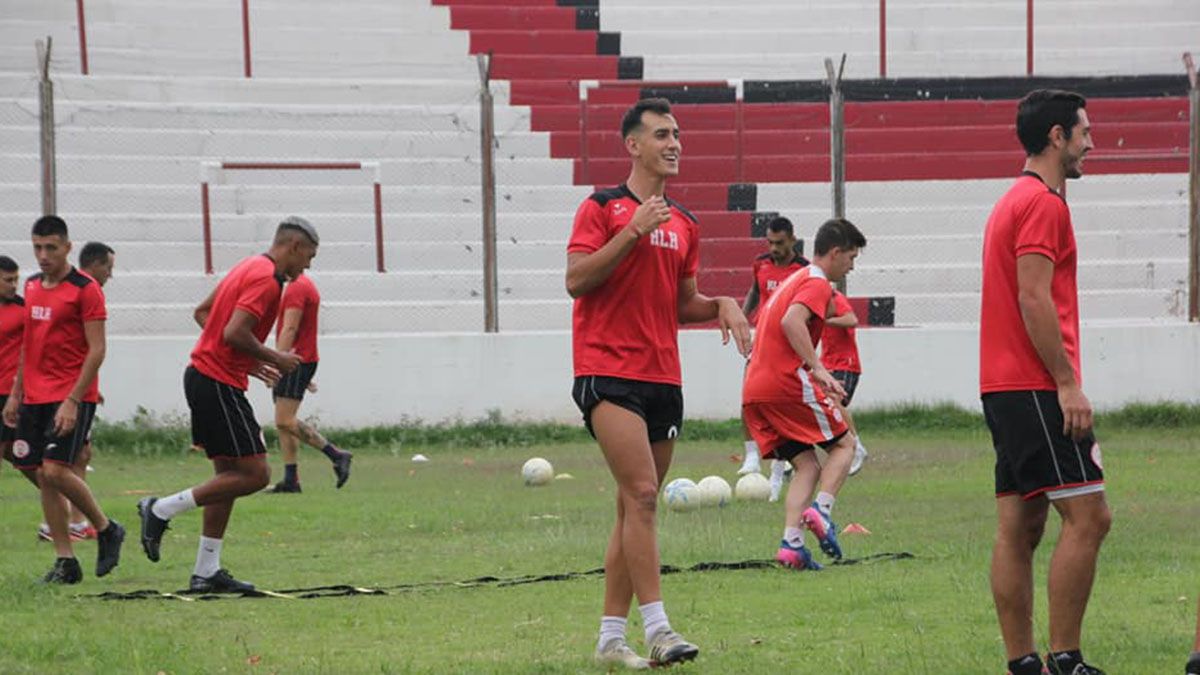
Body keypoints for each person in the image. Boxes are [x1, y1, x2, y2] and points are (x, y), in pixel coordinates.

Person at [566, 98, 751, 668]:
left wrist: (720, 304)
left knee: (633, 507)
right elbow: (576, 280)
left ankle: (608, 640)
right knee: (645, 495)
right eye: (662, 135)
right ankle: (659, 630)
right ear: (634, 145)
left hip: (663, 380)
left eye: (677, 135)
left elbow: (680, 304)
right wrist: (631, 233)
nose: (674, 144)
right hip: (607, 372)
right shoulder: (601, 207)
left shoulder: (686, 223)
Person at [980, 90, 1108, 675]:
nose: (1091, 143)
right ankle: (1065, 658)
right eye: (1084, 132)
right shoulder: (1042, 204)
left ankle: (1023, 663)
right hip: (1034, 385)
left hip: (1003, 385)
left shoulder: (1013, 199)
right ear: (1058, 136)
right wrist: (1066, 382)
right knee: (1090, 517)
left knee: (1020, 525)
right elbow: (1034, 296)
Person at [136, 217, 318, 593]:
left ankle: (206, 571)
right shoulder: (267, 280)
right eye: (309, 257)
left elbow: (203, 314)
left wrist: (247, 362)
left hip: (205, 377)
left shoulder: (247, 265)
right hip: (217, 384)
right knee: (256, 474)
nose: (308, 266)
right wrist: (274, 357)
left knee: (227, 479)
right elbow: (235, 331)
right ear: (295, 247)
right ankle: (160, 508)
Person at [1, 216, 125, 584]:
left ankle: (106, 528)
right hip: (34, 396)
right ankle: (65, 560)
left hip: (71, 395)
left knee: (55, 470)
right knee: (38, 472)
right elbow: (28, 345)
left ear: (67, 248)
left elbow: (97, 350)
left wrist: (73, 400)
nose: (43, 255)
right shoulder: (32, 286)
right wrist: (16, 394)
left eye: (51, 248)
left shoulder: (85, 289)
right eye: (37, 247)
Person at [742, 218, 866, 572]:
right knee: (845, 445)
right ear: (836, 252)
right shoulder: (816, 282)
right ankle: (822, 512)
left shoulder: (793, 280)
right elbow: (791, 322)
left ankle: (791, 545)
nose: (851, 267)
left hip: (754, 388)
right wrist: (819, 369)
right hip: (784, 382)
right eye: (851, 258)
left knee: (806, 465)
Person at [34, 241, 116, 543]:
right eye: (108, 267)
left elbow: (76, 346)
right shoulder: (82, 290)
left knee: (76, 456)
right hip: (59, 394)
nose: (110, 275)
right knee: (55, 466)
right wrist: (77, 394)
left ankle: (72, 523)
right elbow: (84, 348)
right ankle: (78, 523)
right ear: (94, 264)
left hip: (69, 390)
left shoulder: (75, 290)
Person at [735, 216, 808, 478]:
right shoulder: (761, 263)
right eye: (770, 242)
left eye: (780, 243)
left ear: (793, 240)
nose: (774, 248)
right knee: (748, 398)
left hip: (790, 345)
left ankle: (791, 454)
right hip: (763, 342)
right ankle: (752, 456)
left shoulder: (804, 270)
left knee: (790, 402)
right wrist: (742, 319)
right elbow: (755, 291)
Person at [267, 271, 351, 493]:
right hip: (299, 360)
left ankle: (336, 455)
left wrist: (277, 362)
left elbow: (290, 328)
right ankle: (291, 480)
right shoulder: (302, 285)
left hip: (294, 360)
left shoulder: (297, 288)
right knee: (283, 422)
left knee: (285, 421)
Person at [0, 256, 25, 473]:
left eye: (16, 280)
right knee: (13, 451)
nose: (14, 285)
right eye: (8, 280)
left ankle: (59, 485)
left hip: (8, 391)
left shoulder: (23, 308)